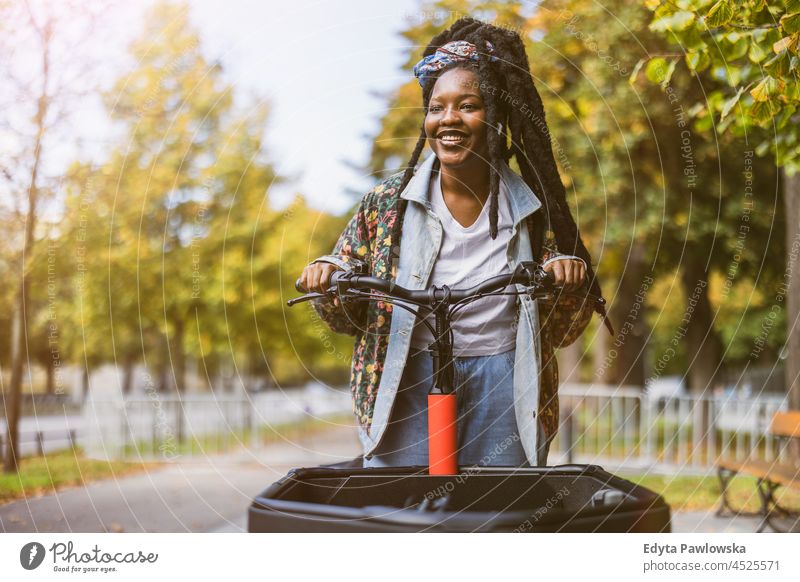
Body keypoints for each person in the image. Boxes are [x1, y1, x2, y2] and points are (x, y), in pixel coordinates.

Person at [299, 17, 612, 468]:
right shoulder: (386, 205)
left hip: (505, 376)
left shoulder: (534, 210)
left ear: (495, 116)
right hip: (407, 373)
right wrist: (327, 278)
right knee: (401, 508)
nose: (449, 119)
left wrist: (567, 282)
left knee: (499, 512)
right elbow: (347, 313)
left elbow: (563, 331)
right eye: (437, 107)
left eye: (467, 105)